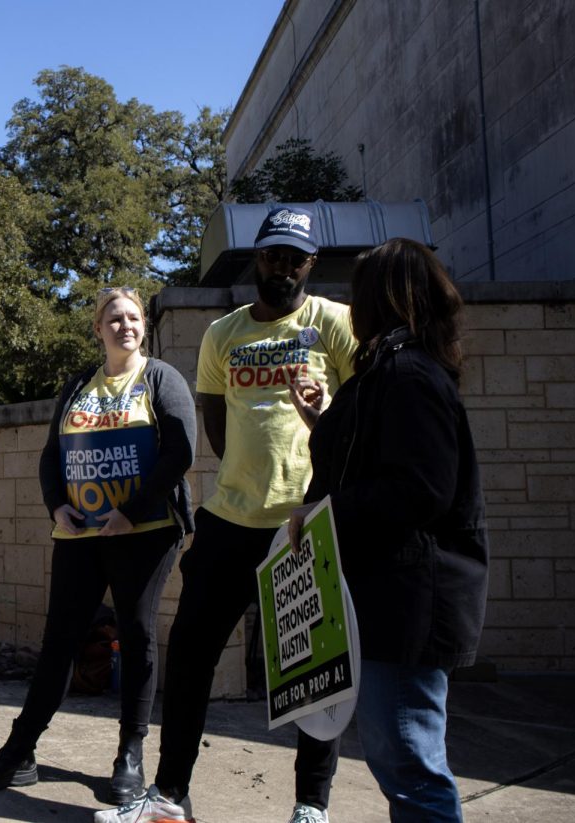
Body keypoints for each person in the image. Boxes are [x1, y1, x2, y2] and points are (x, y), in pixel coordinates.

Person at [108, 206, 357, 823]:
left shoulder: (336, 324)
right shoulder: (224, 333)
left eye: (294, 258)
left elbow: (361, 425)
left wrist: (323, 422)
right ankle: (170, 794)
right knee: (191, 653)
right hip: (230, 520)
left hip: (308, 522)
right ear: (257, 257)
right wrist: (250, 479)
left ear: (310, 263)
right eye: (272, 255)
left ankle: (310, 805)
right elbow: (215, 428)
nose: (282, 267)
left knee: (314, 668)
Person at [0, 285, 197, 807]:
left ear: (144, 326)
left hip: (145, 532)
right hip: (77, 534)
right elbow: (51, 457)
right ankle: (20, 750)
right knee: (59, 641)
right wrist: (55, 506)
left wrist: (128, 511)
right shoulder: (76, 387)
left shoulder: (161, 379)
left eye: (134, 317)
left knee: (136, 636)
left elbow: (180, 452)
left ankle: (129, 755)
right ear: (97, 328)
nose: (126, 326)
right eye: (114, 319)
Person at [288, 239, 487, 822]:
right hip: (389, 599)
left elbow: (421, 488)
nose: (348, 309)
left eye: (357, 294)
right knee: (402, 763)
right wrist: (322, 423)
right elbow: (379, 463)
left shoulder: (408, 375)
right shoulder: (388, 371)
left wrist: (323, 514)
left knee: (410, 767)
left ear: (379, 299)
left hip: (407, 605)